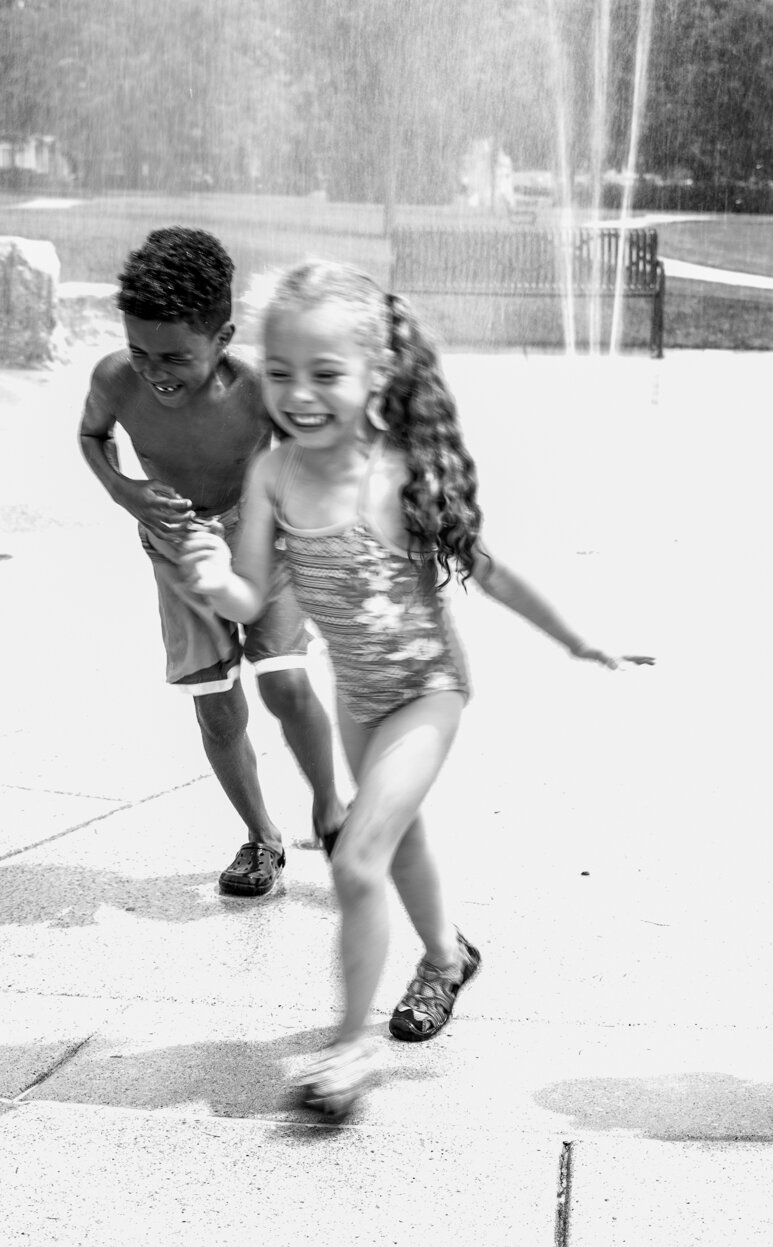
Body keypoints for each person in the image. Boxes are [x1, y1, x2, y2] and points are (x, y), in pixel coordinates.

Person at [180, 260, 649, 1116]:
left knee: (357, 854)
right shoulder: (272, 476)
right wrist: (216, 580)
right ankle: (448, 954)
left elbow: (489, 571)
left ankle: (350, 1046)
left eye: (326, 374)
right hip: (360, 696)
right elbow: (252, 597)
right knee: (401, 844)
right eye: (280, 373)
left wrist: (578, 638)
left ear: (377, 376)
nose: (300, 394)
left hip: (428, 690)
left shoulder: (397, 478)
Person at [77, 227, 344, 899]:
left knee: (285, 684)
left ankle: (334, 814)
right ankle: (261, 837)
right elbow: (91, 434)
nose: (153, 371)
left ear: (223, 337)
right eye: (139, 350)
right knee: (219, 713)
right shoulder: (115, 379)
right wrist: (124, 489)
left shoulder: (256, 388)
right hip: (178, 555)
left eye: (172, 355)